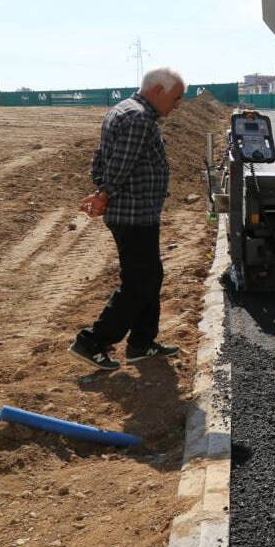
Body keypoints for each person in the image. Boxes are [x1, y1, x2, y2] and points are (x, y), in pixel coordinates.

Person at [70, 68, 187, 371]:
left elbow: (101, 158)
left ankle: (141, 343)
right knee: (139, 281)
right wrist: (104, 194)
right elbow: (120, 165)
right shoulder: (138, 118)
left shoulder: (121, 110)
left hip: (136, 212)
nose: (177, 105)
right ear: (158, 90)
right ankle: (93, 341)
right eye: (176, 98)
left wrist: (102, 189)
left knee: (150, 276)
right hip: (133, 214)